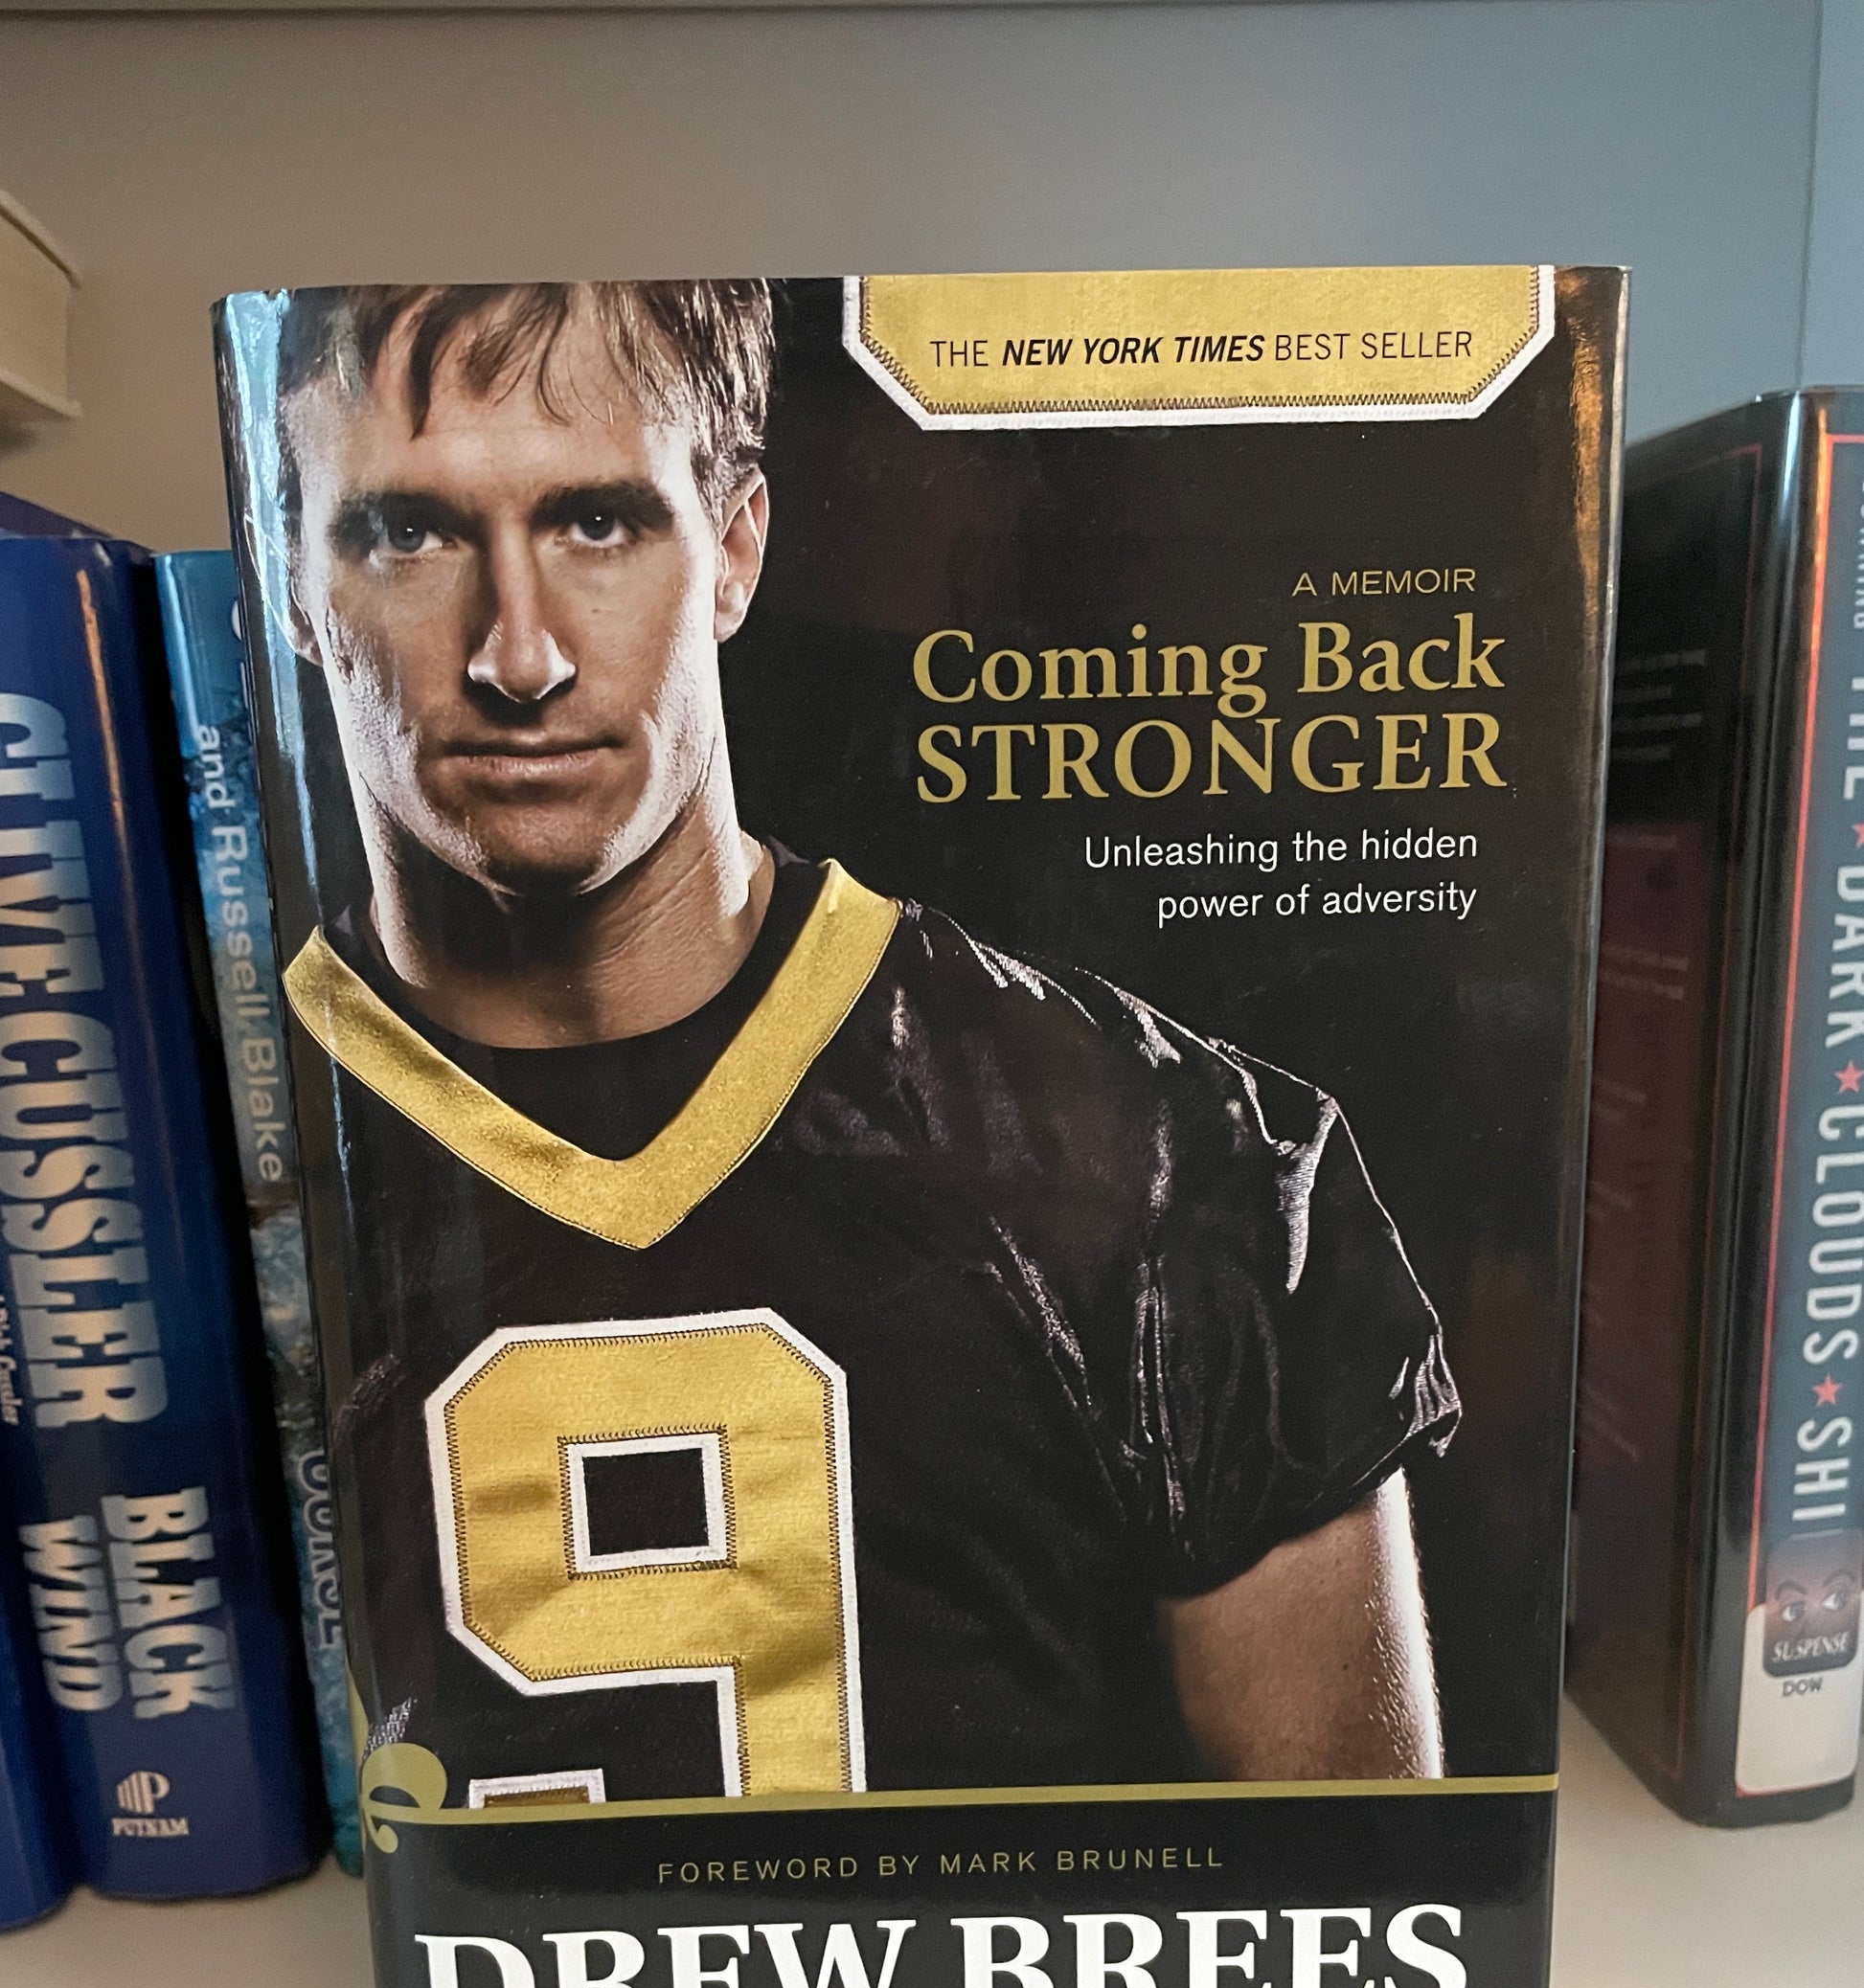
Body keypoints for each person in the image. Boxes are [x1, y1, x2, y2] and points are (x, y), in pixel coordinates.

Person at [268, 279, 1459, 1805]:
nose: (520, 658)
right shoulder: (197, 1154)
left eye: (597, 523)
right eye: (408, 534)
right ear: (294, 580)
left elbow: (1348, 1903)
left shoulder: (1178, 1158)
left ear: (735, 547)